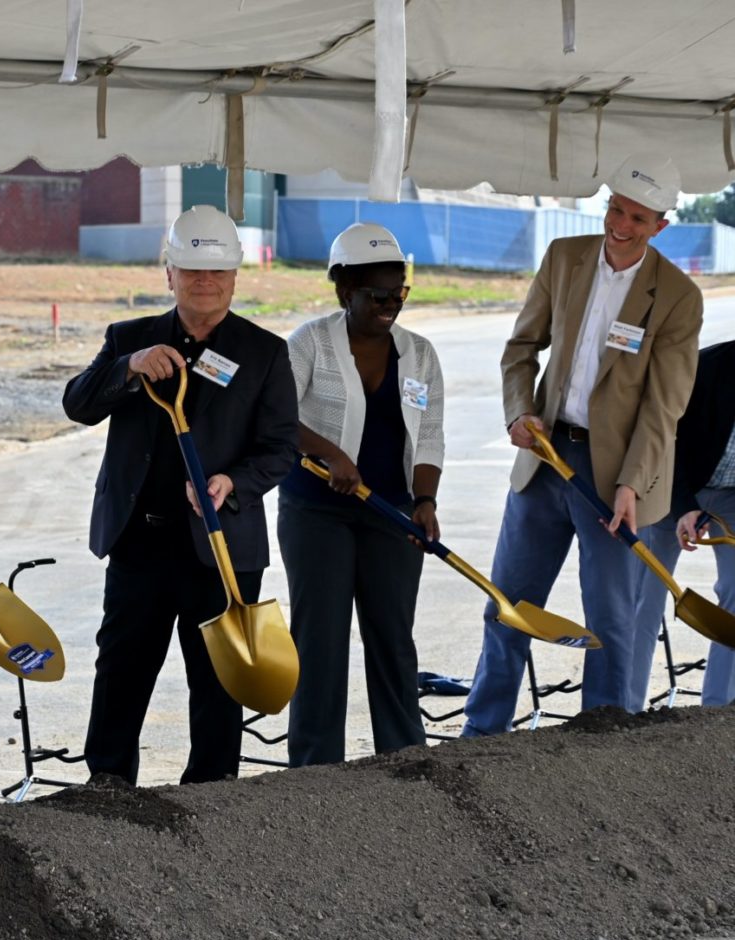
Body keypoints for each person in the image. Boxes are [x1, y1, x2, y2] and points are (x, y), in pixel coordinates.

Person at [462, 152, 704, 736]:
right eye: (616, 210)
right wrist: (520, 412)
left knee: (613, 621)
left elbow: (662, 406)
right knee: (509, 604)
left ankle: (604, 743)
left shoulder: (677, 296)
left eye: (638, 219)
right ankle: (481, 735)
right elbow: (521, 349)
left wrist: (631, 484)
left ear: (660, 226)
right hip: (545, 460)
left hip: (617, 477)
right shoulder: (564, 258)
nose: (621, 226)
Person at [64, 205, 298, 785]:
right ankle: (108, 783)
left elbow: (281, 449)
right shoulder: (131, 338)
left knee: (219, 676)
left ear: (236, 278)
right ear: (168, 273)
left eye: (217, 272)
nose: (204, 282)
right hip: (139, 538)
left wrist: (232, 483)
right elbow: (78, 404)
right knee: (122, 665)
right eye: (191, 270)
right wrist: (128, 368)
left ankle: (212, 790)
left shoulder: (264, 352)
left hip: (219, 546)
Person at [280, 223, 444, 765]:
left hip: (391, 513)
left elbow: (429, 434)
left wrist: (425, 501)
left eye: (400, 293)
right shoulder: (309, 342)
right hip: (316, 512)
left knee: (393, 638)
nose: (391, 305)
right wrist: (330, 453)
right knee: (319, 643)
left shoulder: (419, 355)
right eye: (378, 296)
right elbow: (275, 416)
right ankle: (314, 766)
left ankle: (403, 757)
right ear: (344, 292)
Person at [628, 339, 735, 707]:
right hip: (673, 486)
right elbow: (664, 441)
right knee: (644, 596)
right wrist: (683, 507)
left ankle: (718, 712)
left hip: (733, 496)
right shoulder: (705, 367)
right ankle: (624, 711)